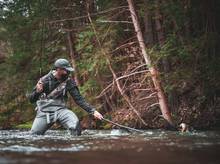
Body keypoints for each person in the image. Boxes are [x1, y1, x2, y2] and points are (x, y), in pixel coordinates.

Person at [28, 58, 103, 135]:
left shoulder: (69, 81)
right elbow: (31, 100)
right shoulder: (44, 80)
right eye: (65, 70)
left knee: (76, 128)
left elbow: (79, 99)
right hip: (44, 112)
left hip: (61, 111)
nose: (67, 72)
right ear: (58, 69)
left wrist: (93, 111)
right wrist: (37, 92)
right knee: (34, 134)